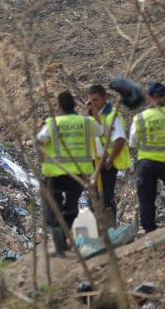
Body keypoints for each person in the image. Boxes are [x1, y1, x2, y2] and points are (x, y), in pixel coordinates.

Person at [36, 91, 105, 256]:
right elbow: (100, 132)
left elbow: (39, 139)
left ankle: (60, 245)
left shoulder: (53, 123)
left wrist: (43, 159)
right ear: (75, 105)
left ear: (58, 107)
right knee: (71, 206)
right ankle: (64, 240)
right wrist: (94, 113)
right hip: (80, 172)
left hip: (55, 173)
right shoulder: (87, 122)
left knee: (54, 207)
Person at [129, 82, 165, 233]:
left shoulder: (140, 118)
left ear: (149, 98)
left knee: (146, 199)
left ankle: (149, 230)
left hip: (147, 163)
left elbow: (132, 142)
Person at [87, 84, 131, 228]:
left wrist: (109, 160)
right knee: (94, 198)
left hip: (107, 163)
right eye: (91, 101)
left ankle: (110, 228)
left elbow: (120, 140)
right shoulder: (97, 116)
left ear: (105, 98)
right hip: (96, 162)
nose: (94, 104)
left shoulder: (112, 116)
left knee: (106, 197)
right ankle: (100, 230)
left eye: (96, 100)